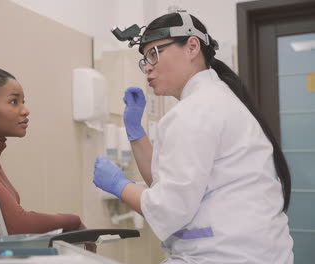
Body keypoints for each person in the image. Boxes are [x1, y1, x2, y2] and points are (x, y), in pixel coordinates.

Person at [93, 10, 293, 263]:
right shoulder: (215, 99)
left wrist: (120, 186)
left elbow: (168, 209)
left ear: (192, 47)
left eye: (155, 53)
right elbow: (167, 182)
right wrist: (136, 131)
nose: (149, 67)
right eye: (145, 60)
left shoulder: (197, 109)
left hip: (226, 256)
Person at [0, 67, 95, 251]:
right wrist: (73, 220)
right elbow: (18, 225)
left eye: (23, 102)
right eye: (14, 101)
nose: (25, 110)